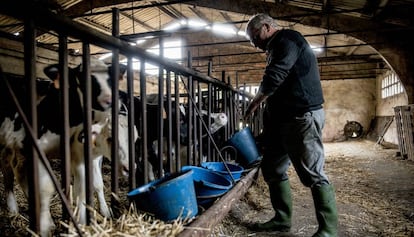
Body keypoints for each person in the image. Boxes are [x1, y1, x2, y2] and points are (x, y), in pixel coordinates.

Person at [243, 13, 338, 237]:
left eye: (254, 37)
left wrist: (255, 102)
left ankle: (328, 230)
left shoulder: (288, 40)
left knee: (313, 172)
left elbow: (275, 75)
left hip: (301, 116)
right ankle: (282, 219)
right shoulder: (276, 46)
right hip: (283, 120)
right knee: (272, 168)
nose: (254, 44)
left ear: (266, 27)